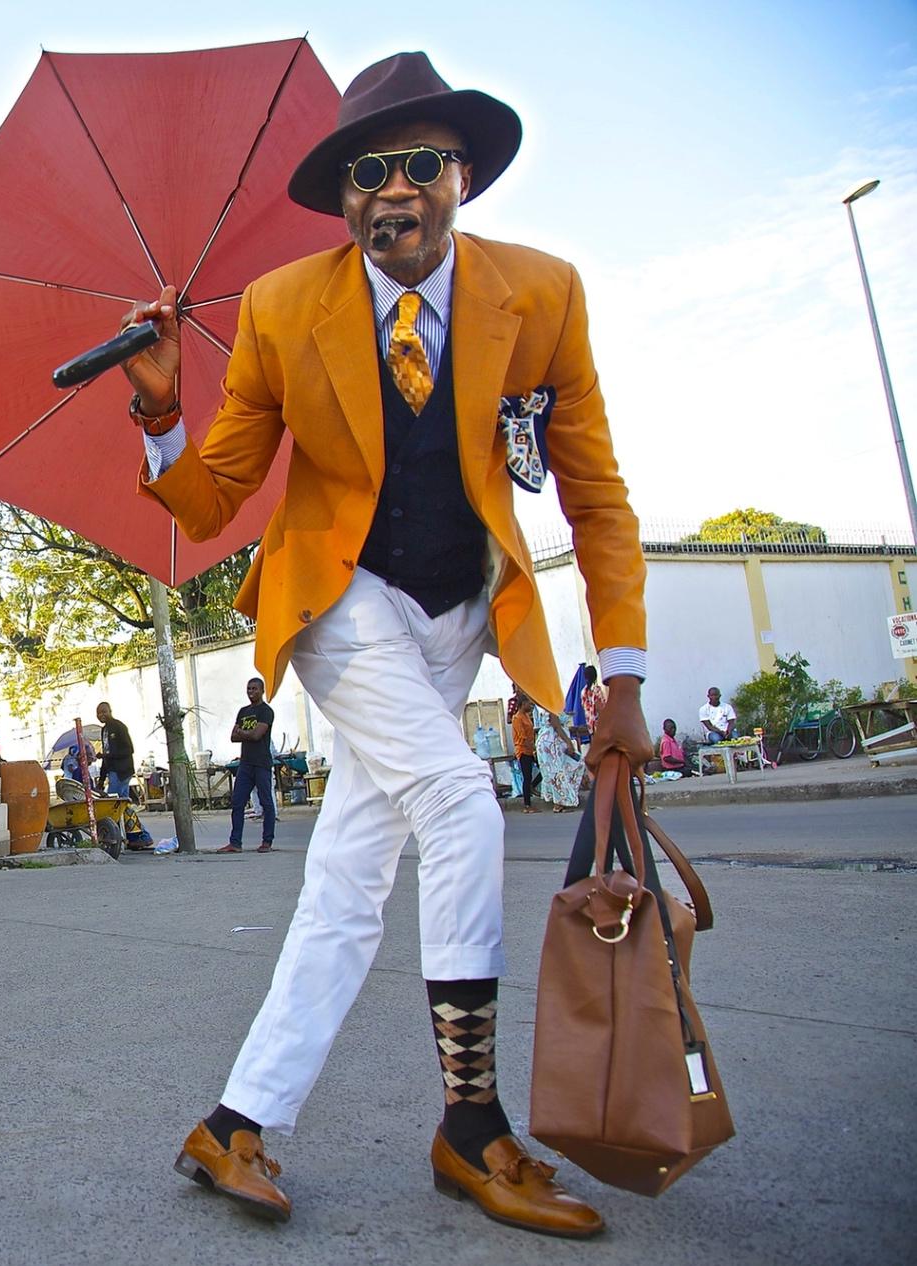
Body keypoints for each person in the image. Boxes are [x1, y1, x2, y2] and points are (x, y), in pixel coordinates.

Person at [125, 52, 650, 1236]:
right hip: (341, 602)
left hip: (462, 613)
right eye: (367, 173)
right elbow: (211, 504)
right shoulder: (280, 310)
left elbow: (596, 497)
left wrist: (620, 673)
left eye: (420, 164)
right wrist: (160, 413)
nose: (393, 190)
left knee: (348, 881)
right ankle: (470, 1126)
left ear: (462, 177)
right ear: (342, 198)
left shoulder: (542, 296)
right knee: (460, 804)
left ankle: (234, 1122)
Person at [220, 678, 276, 854]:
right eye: (249, 689)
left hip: (261, 763)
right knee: (238, 802)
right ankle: (235, 842)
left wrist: (243, 733)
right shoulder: (243, 711)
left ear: (262, 690)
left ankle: (267, 841)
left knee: (266, 802)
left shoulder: (266, 711)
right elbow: (233, 737)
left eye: (254, 689)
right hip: (245, 763)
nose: (251, 692)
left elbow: (257, 735)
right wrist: (248, 733)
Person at [533, 700, 582, 810]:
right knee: (557, 771)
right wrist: (569, 742)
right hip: (552, 743)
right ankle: (559, 802)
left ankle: (559, 800)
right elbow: (557, 727)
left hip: (548, 742)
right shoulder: (551, 707)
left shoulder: (547, 705)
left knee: (555, 770)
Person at [95, 702, 134, 798]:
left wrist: (107, 755)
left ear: (110, 711)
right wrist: (101, 779)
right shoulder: (104, 730)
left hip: (121, 771)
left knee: (112, 801)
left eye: (104, 712)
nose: (101, 715)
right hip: (112, 771)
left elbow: (129, 749)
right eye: (99, 713)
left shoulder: (119, 726)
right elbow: (106, 753)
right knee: (123, 802)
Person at [509, 691, 538, 813]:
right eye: (528, 704)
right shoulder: (517, 718)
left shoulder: (526, 716)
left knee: (541, 770)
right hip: (523, 750)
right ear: (523, 704)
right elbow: (522, 737)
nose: (530, 706)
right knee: (527, 777)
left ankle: (532, 786)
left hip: (530, 749)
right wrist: (533, 748)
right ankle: (527, 805)